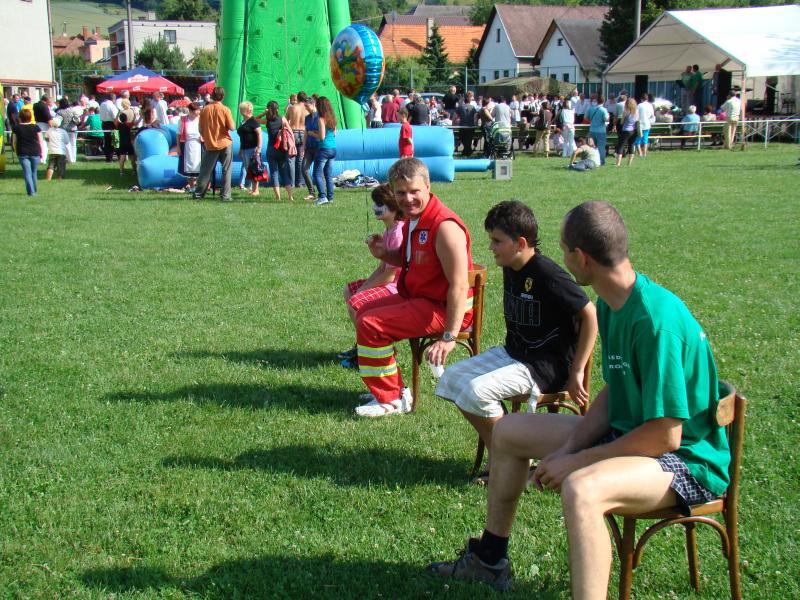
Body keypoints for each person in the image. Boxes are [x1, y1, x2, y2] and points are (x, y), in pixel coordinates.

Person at [429, 200, 731, 597]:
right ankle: (490, 560)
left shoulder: (655, 321)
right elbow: (616, 391)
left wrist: (576, 461)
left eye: (564, 249)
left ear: (582, 257)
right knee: (508, 431)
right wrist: (571, 446)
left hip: (686, 463)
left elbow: (665, 436)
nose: (561, 257)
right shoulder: (614, 303)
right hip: (635, 437)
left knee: (581, 489)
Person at [436, 201, 597, 484]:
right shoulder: (511, 265)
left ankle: (510, 459)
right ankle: (505, 453)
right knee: (450, 378)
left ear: (520, 243)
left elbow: (590, 315)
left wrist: (577, 371)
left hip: (545, 367)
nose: (491, 247)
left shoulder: (548, 274)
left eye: (497, 241)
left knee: (475, 391)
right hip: (515, 353)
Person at [354, 157, 473, 417]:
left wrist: (449, 337)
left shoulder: (444, 227)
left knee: (371, 324)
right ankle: (393, 389)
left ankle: (392, 399)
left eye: (414, 191)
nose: (407, 199)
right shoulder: (414, 218)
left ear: (428, 186)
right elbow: (409, 260)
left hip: (444, 309)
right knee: (362, 311)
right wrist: (384, 254)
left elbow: (459, 285)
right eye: (401, 193)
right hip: (421, 298)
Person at [338, 184, 405, 369]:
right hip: (390, 282)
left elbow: (390, 276)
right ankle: (361, 345)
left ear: (393, 207)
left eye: (380, 203)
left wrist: (363, 291)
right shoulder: (388, 230)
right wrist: (363, 287)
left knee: (355, 303)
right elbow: (382, 267)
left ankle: (370, 352)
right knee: (348, 290)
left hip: (398, 288)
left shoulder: (398, 233)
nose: (375, 207)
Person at [193, 86, 235, 201]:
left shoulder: (205, 110)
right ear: (223, 96)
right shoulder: (225, 109)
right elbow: (232, 127)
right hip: (225, 143)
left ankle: (199, 194)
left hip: (210, 144)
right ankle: (225, 195)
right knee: (226, 170)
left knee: (205, 171)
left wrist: (207, 135)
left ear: (212, 96)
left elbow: (200, 129)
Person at [257, 100, 294, 202]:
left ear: (268, 109)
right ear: (277, 109)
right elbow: (290, 131)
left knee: (274, 173)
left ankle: (278, 197)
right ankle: (290, 196)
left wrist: (264, 113)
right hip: (281, 149)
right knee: (284, 172)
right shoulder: (282, 119)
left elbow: (256, 119)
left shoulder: (267, 121)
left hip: (271, 149)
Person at [307, 96, 336, 206]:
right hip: (333, 148)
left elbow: (322, 137)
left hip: (324, 149)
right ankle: (330, 197)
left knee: (317, 174)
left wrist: (312, 133)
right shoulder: (332, 118)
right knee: (328, 174)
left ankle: (322, 196)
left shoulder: (321, 119)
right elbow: (334, 134)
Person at [12, 108, 45, 196]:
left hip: (22, 152)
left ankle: (31, 192)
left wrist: (16, 150)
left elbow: (14, 141)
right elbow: (41, 141)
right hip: (35, 152)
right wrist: (42, 152)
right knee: (34, 172)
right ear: (30, 117)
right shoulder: (36, 127)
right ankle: (34, 190)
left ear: (20, 117)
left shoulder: (16, 128)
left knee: (27, 173)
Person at [285, 91, 310, 189]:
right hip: (303, 133)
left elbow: (285, 120)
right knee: (301, 159)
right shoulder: (307, 109)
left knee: (291, 158)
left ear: (298, 98)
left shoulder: (292, 108)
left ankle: (291, 183)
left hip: (293, 132)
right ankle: (300, 182)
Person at [236, 101, 262, 195]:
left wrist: (259, 147)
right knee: (248, 169)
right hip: (245, 148)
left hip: (252, 148)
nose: (240, 111)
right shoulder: (243, 122)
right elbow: (242, 137)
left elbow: (259, 134)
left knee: (254, 169)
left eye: (241, 109)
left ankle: (256, 190)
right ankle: (253, 188)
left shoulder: (253, 121)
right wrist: (240, 149)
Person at [177, 102, 203, 191]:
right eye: (196, 111)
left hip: (199, 145)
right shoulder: (183, 120)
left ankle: (199, 186)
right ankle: (192, 187)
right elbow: (178, 134)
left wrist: (203, 137)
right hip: (187, 145)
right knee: (188, 167)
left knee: (200, 165)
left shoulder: (201, 119)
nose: (198, 112)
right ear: (191, 111)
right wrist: (178, 147)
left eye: (199, 110)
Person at [301, 97, 318, 200]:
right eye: (305, 106)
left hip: (318, 147)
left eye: (307, 106)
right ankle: (311, 192)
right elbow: (306, 133)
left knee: (318, 171)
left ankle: (323, 192)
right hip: (309, 147)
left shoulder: (320, 116)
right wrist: (303, 146)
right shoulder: (307, 118)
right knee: (304, 169)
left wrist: (314, 133)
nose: (306, 108)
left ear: (313, 104)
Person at [115, 98, 138, 177]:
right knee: (132, 157)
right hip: (128, 142)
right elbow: (134, 122)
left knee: (122, 157)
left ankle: (121, 172)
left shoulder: (118, 125)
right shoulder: (128, 125)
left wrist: (118, 113)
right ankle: (134, 170)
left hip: (122, 142)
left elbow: (115, 121)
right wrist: (135, 115)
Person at [614, 97, 638, 166]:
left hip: (626, 130)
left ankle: (618, 163)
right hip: (634, 130)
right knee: (631, 145)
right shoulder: (637, 111)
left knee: (621, 145)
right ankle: (629, 163)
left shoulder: (625, 112)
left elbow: (621, 122)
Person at [586, 95, 609, 166]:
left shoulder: (590, 108)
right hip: (601, 131)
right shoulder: (603, 110)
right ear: (603, 101)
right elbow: (606, 119)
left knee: (592, 147)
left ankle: (592, 160)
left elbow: (586, 117)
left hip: (592, 130)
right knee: (601, 147)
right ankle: (601, 162)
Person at [98, 94, 118, 162]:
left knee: (107, 141)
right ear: (113, 99)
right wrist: (117, 125)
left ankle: (108, 157)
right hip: (111, 124)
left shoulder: (102, 104)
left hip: (104, 123)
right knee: (114, 141)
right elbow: (115, 116)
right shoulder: (112, 105)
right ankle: (111, 157)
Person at [635, 93, 655, 157]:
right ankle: (644, 153)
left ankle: (640, 153)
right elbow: (652, 115)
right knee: (645, 139)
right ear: (647, 99)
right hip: (647, 124)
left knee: (638, 140)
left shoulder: (639, 105)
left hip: (640, 124)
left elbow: (636, 114)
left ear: (641, 99)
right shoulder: (650, 105)